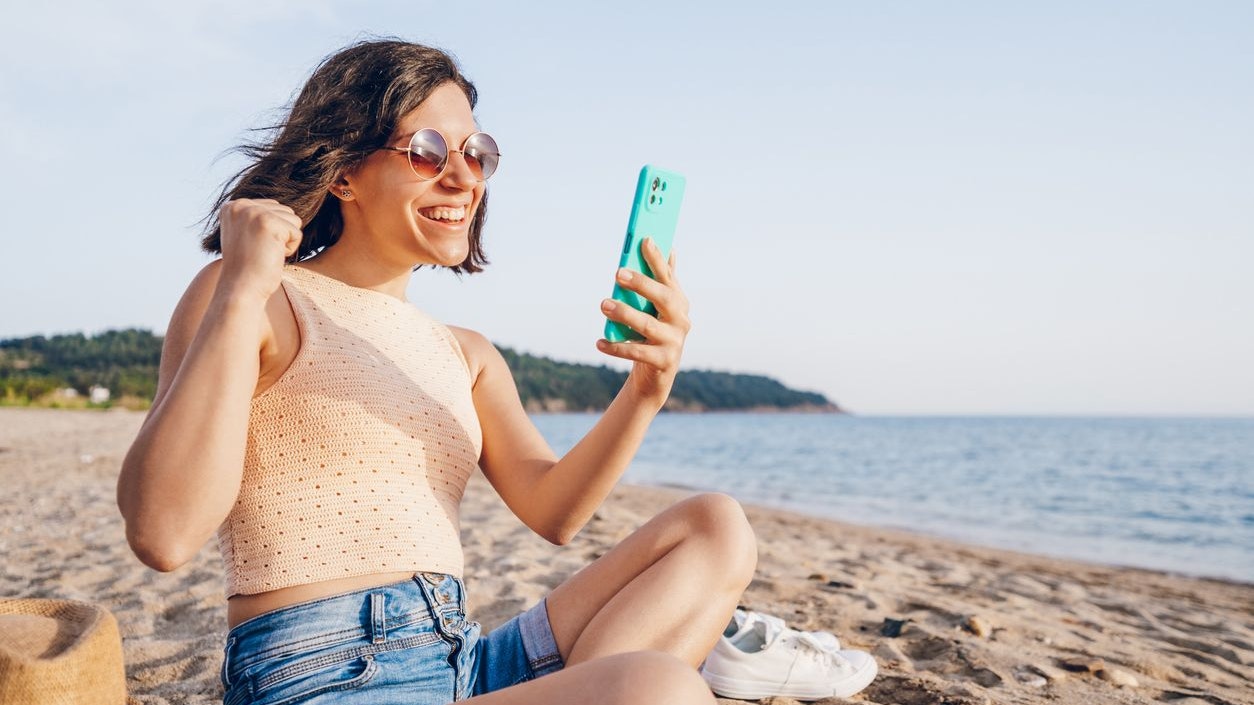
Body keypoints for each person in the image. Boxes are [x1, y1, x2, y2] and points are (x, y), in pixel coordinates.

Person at [116, 39, 758, 705]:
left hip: (465, 663)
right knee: (658, 687)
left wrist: (646, 392)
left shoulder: (466, 353)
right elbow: (163, 532)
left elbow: (557, 510)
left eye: (476, 154)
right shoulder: (255, 294)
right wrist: (243, 289)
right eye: (427, 152)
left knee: (716, 527)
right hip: (319, 676)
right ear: (344, 173)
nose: (463, 178)